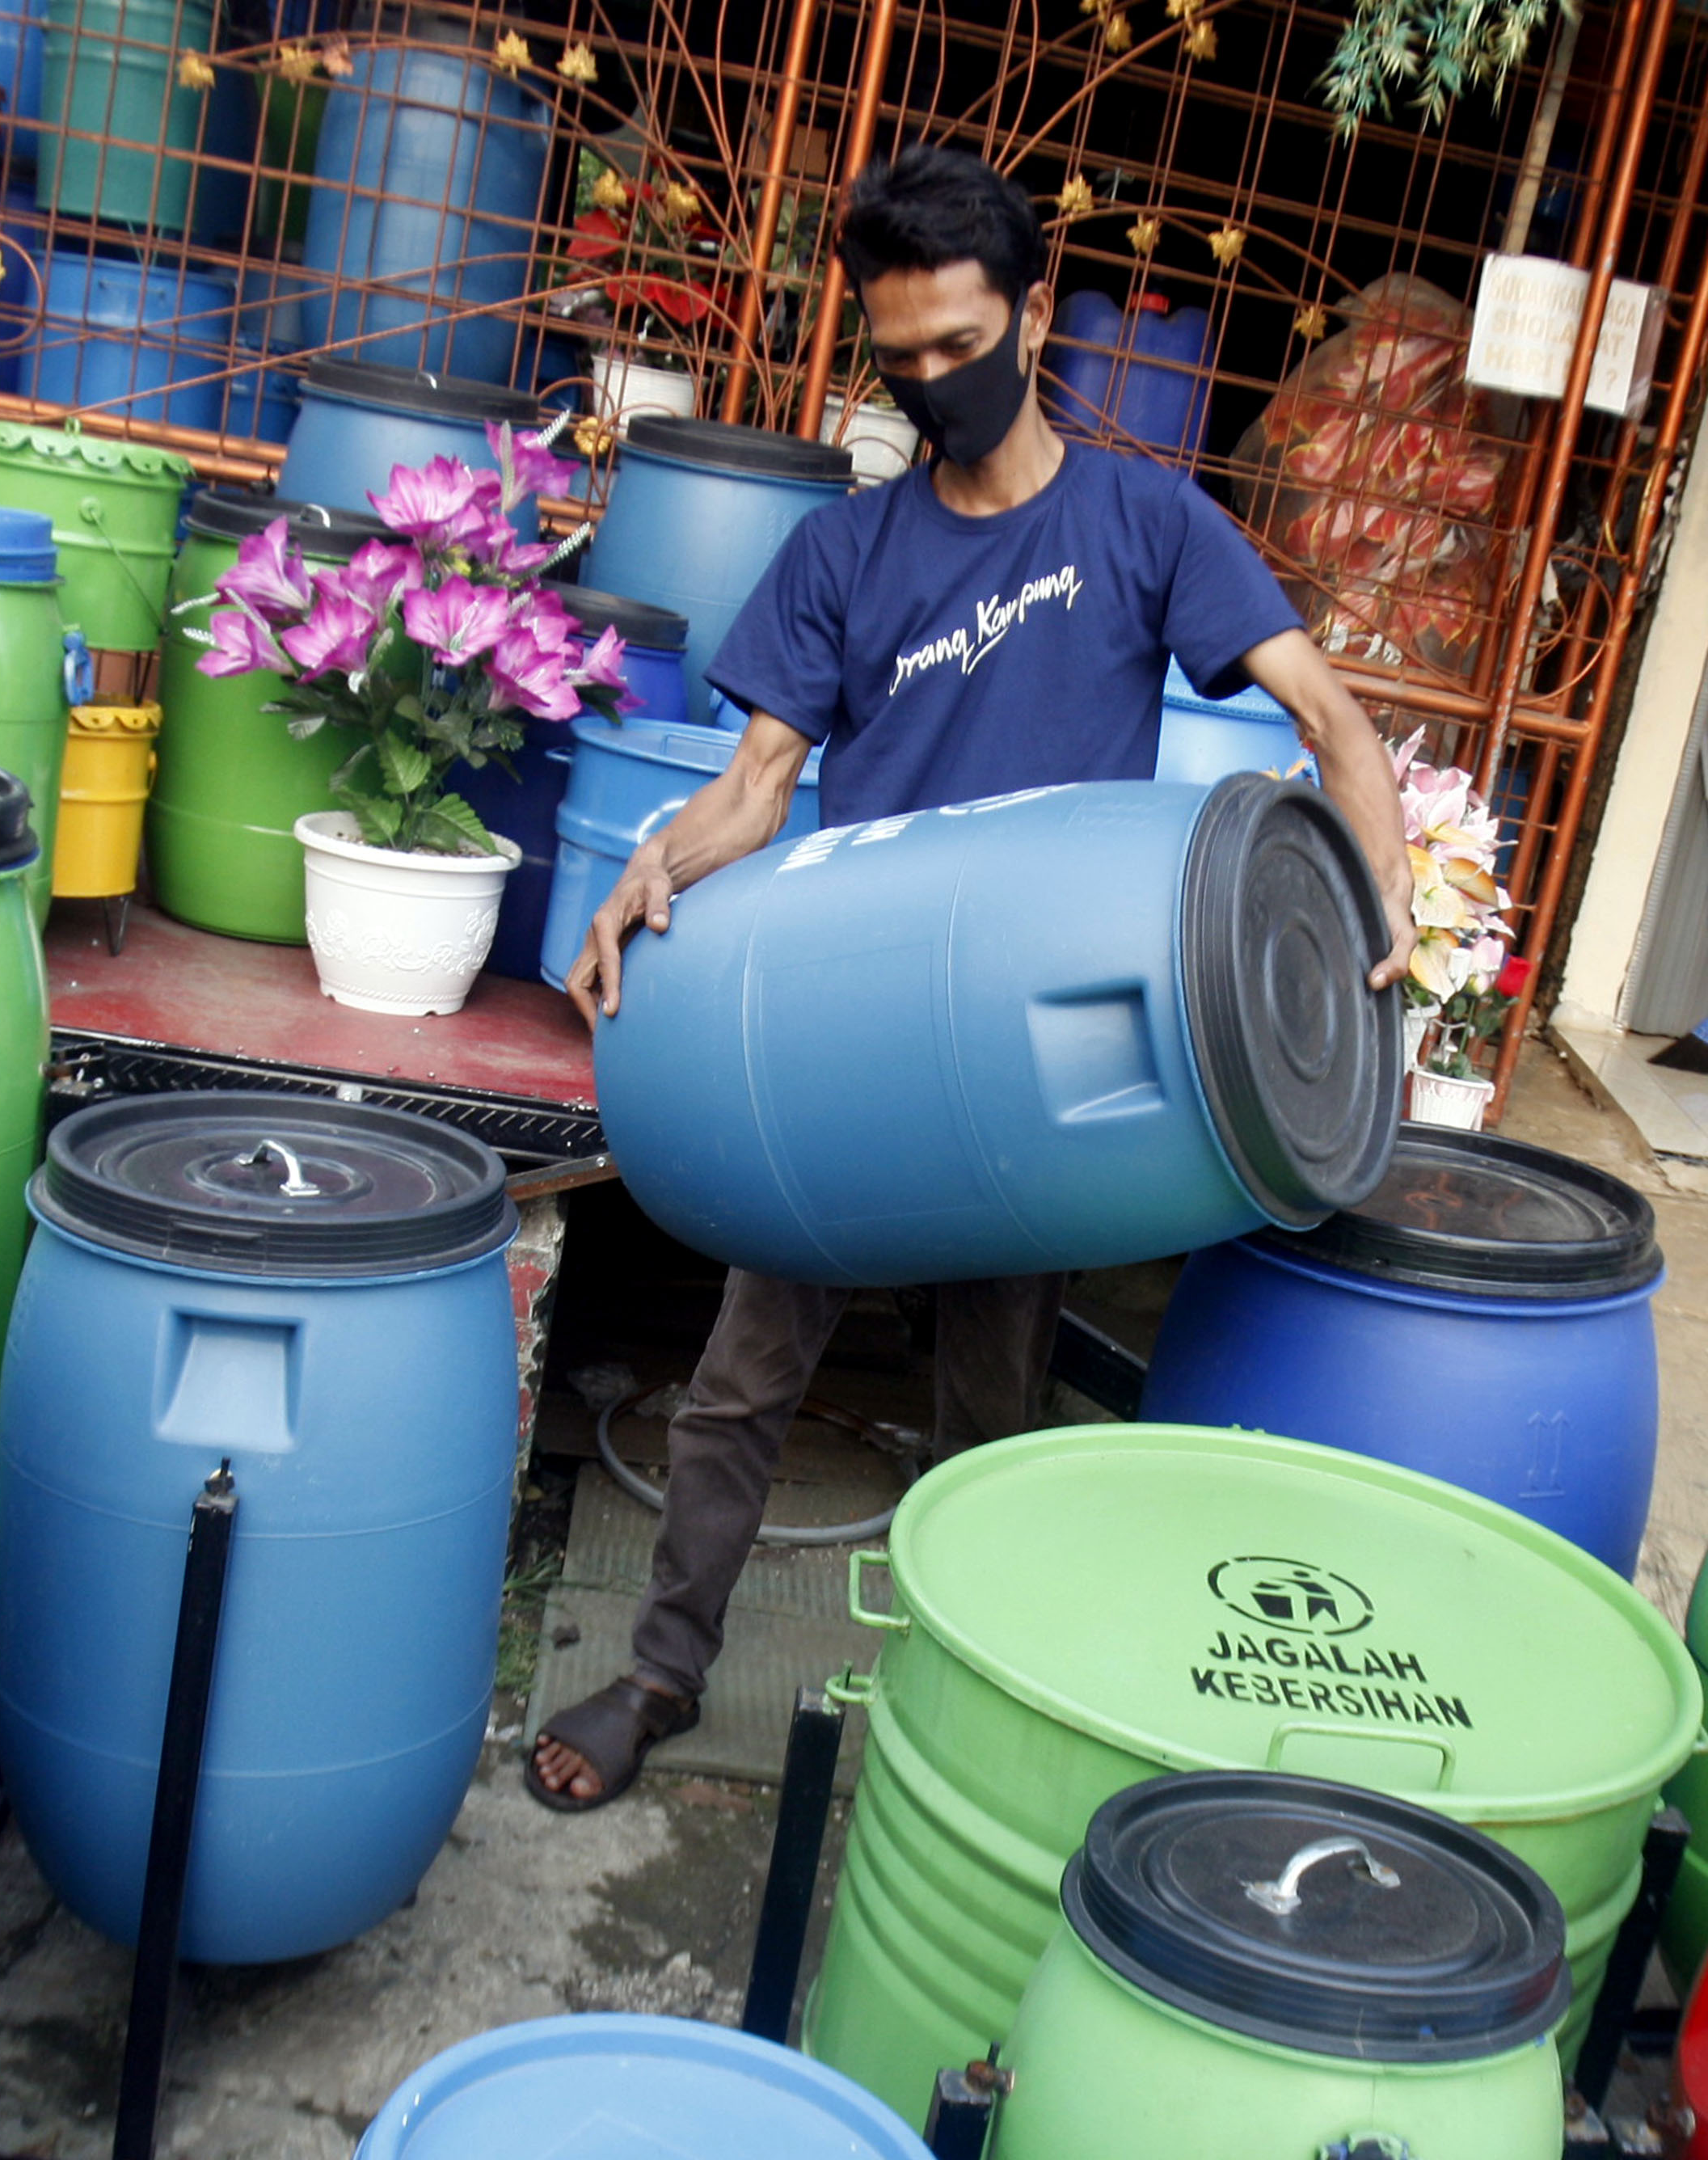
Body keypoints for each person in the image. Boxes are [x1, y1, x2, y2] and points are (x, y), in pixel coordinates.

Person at [527, 144, 1411, 1812]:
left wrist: (1373, 907)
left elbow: (1330, 720)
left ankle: (957, 1717)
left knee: (991, 1413)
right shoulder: (845, 552)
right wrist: (654, 867)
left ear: (1029, 315)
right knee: (740, 1378)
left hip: (1035, 1051)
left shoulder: (1146, 521)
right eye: (902, 356)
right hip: (854, 1018)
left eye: (961, 344)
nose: (934, 381)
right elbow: (755, 788)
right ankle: (658, 1672)